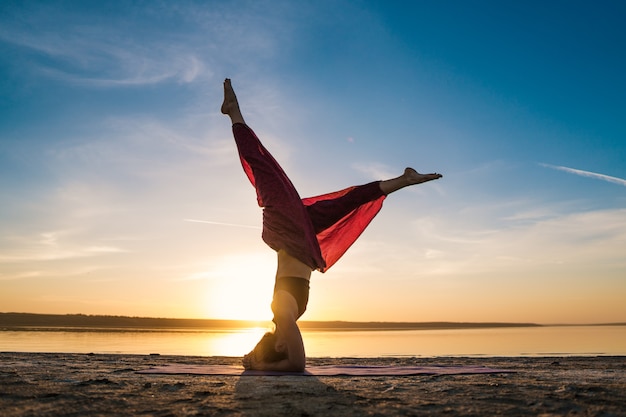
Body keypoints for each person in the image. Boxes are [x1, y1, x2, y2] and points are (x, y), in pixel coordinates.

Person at [221, 79, 442, 372]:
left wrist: (257, 363)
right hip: (293, 235)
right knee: (266, 172)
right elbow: (298, 365)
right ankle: (235, 114)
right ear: (276, 347)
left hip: (298, 235)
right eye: (260, 348)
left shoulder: (289, 312)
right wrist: (260, 368)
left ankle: (403, 180)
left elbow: (291, 359)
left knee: (347, 201)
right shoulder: (282, 312)